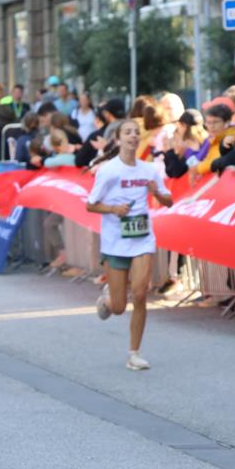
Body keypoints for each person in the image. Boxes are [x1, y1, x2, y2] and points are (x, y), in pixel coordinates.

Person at [86, 119, 174, 371]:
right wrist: (113, 209)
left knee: (139, 293)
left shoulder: (149, 170)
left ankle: (134, 353)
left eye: (137, 132)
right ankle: (107, 302)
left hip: (142, 240)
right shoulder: (108, 171)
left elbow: (169, 201)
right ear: (119, 138)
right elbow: (90, 204)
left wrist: (156, 192)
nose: (133, 136)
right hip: (115, 243)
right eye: (128, 132)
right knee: (119, 307)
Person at [76, 98, 125, 168]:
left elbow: (79, 160)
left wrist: (104, 147)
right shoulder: (130, 126)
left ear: (107, 114)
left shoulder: (110, 129)